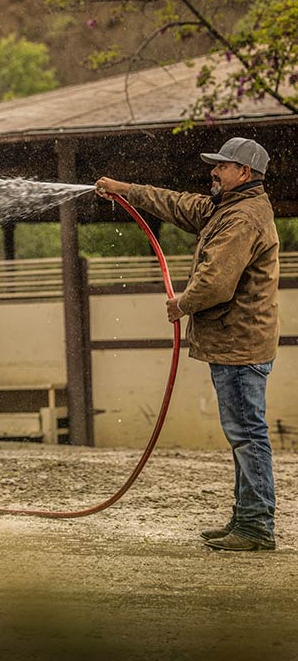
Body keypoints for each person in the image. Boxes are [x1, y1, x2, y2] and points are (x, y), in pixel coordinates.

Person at [96, 137, 280, 551]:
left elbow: (215, 283)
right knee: (244, 433)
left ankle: (255, 527)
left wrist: (182, 304)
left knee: (247, 434)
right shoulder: (227, 207)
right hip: (237, 342)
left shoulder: (242, 218)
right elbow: (178, 203)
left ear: (244, 173)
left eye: (222, 166)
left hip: (239, 345)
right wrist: (126, 190)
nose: (213, 170)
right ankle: (246, 518)